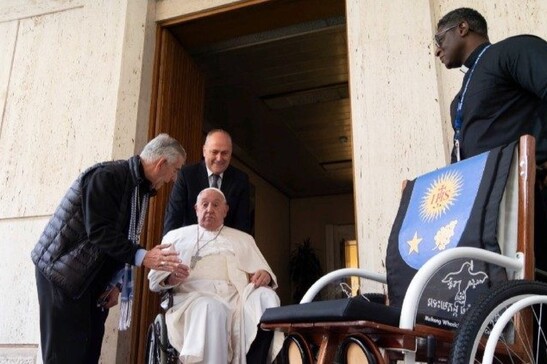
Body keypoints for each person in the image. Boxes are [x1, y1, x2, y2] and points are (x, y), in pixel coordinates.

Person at [31, 133, 190, 364]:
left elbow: (122, 238)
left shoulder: (140, 189)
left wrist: (116, 283)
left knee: (88, 353)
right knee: (64, 356)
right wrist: (144, 256)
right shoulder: (107, 176)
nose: (174, 178)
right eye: (175, 170)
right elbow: (99, 232)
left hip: (92, 282)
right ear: (161, 163)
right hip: (63, 275)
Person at [434, 8, 547, 277]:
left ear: (462, 28)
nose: (436, 51)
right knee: (501, 290)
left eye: (439, 40)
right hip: (485, 208)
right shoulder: (459, 99)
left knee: (537, 278)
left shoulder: (513, 51)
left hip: (530, 193)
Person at [148, 187, 282, 363]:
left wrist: (264, 274)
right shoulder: (176, 236)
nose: (209, 209)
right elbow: (154, 281)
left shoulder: (244, 239)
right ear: (196, 209)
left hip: (237, 297)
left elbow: (263, 271)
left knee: (267, 297)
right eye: (204, 205)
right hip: (192, 299)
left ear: (225, 210)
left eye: (216, 205)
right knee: (212, 308)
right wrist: (171, 278)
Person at [163, 129, 251, 236]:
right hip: (190, 245)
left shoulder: (240, 180)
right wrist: (167, 247)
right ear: (204, 151)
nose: (219, 158)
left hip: (224, 247)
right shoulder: (186, 175)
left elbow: (242, 225)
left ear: (231, 154)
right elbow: (173, 217)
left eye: (224, 153)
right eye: (214, 152)